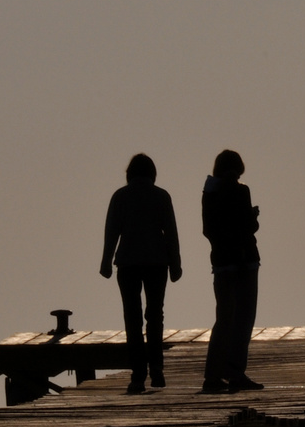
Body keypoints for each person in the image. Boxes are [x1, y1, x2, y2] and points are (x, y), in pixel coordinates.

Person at [100, 153, 182, 394]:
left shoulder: (120, 196)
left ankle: (138, 375)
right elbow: (171, 234)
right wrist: (176, 264)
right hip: (157, 262)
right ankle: (156, 367)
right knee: (155, 315)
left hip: (128, 263)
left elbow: (111, 232)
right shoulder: (161, 196)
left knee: (132, 319)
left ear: (129, 174)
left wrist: (105, 261)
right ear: (153, 174)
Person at [201, 149, 262, 393]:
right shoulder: (241, 191)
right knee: (243, 320)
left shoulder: (209, 194)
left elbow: (209, 230)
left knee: (224, 321)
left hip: (222, 264)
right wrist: (253, 217)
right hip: (245, 262)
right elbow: (247, 227)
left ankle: (212, 376)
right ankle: (236, 372)